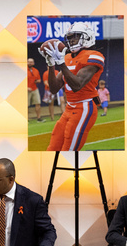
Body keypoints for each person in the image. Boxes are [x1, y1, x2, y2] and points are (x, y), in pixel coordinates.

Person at [40, 21, 105, 151]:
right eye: (69, 38)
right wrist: (51, 64)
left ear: (86, 37)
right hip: (70, 108)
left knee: (68, 150)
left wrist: (61, 63)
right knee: (53, 147)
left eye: (75, 37)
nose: (71, 40)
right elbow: (53, 88)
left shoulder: (93, 56)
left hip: (84, 107)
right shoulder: (68, 57)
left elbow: (77, 85)